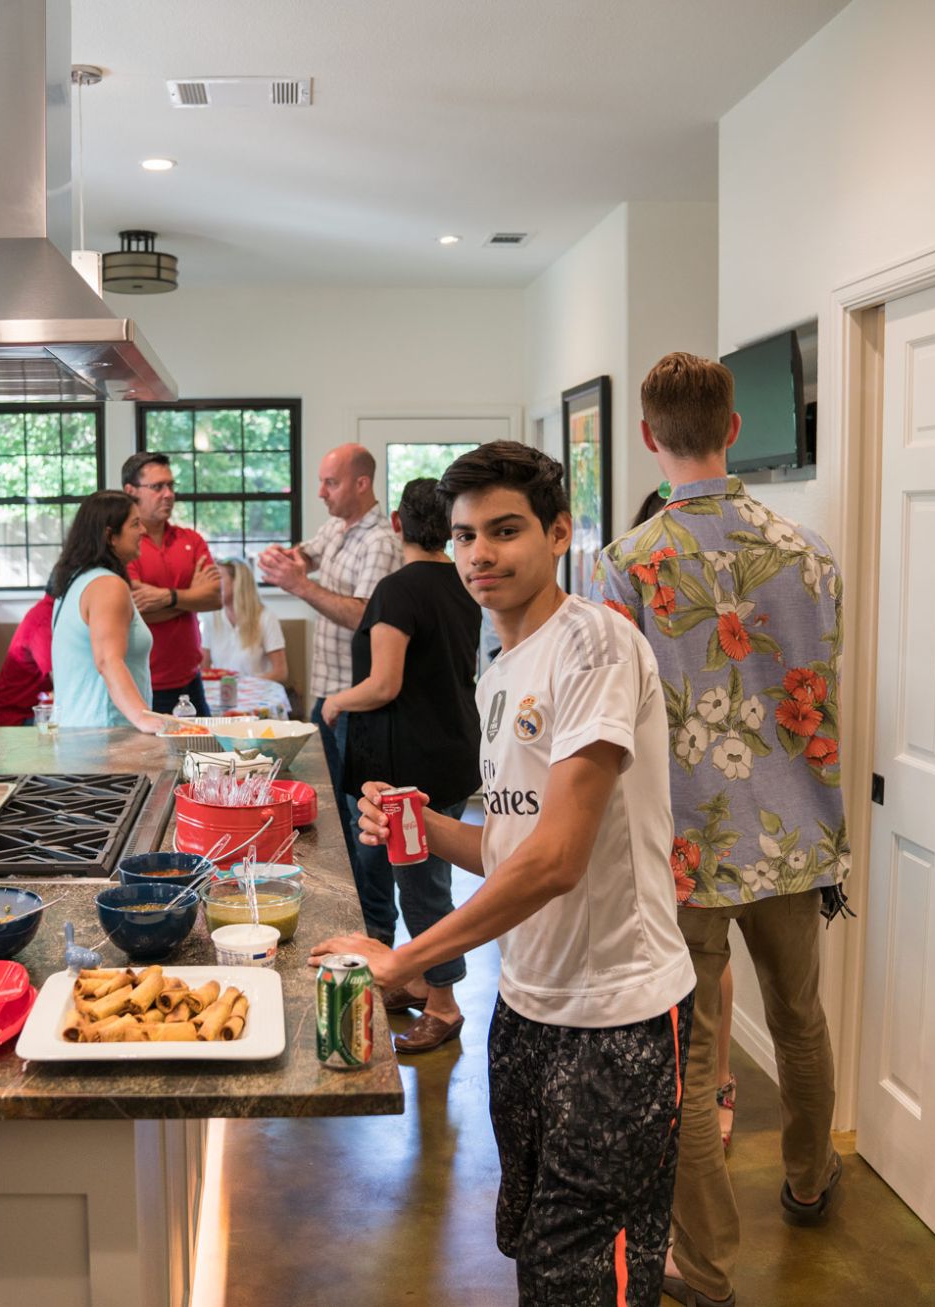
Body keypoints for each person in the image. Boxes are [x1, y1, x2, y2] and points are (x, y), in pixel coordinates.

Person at [310, 441, 694, 1306]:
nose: (480, 553)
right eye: (464, 535)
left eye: (506, 530)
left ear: (559, 533)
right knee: (535, 1248)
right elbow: (509, 847)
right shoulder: (500, 669)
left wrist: (402, 961)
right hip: (525, 1006)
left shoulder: (596, 644)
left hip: (618, 1016)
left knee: (590, 1273)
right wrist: (427, 823)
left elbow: (558, 859)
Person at [593, 352, 850, 1307]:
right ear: (736, 429)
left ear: (650, 437)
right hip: (795, 831)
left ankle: (704, 1273)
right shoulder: (809, 551)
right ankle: (810, 1180)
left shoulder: (627, 563)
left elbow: (618, 713)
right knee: (800, 1021)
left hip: (685, 844)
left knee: (693, 1064)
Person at [320, 479, 480, 1053]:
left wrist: (336, 701)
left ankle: (444, 1003)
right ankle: (405, 976)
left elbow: (384, 685)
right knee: (405, 877)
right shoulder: (465, 584)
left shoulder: (397, 589)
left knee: (421, 887)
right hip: (453, 750)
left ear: (396, 523)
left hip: (409, 763)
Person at [630, 484, 740, 1149]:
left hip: (702, 792)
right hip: (647, 790)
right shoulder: (634, 599)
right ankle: (671, 1084)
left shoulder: (710, 599)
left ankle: (718, 1082)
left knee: (705, 949)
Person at [257, 443, 402, 865]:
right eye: (321, 481)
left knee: (360, 820)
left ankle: (373, 920)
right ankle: (350, 895)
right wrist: (285, 557)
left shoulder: (379, 542)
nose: (321, 492)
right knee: (333, 809)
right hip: (328, 692)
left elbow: (363, 615)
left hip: (356, 700)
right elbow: (308, 553)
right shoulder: (338, 526)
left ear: (362, 483)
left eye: (330, 482)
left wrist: (299, 585)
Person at [47, 490, 171, 733]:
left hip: (79, 732)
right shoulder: (107, 586)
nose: (144, 531)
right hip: (106, 735)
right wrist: (142, 717)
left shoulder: (75, 582)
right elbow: (107, 660)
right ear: (110, 536)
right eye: (135, 524)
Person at [121, 452, 221, 716]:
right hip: (143, 685)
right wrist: (191, 597)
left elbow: (214, 597)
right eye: (157, 487)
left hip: (191, 681)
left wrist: (168, 598)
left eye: (171, 486)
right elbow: (135, 609)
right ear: (131, 491)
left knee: (205, 756)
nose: (168, 494)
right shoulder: (124, 544)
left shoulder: (191, 539)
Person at [199, 558, 288, 683]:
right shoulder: (210, 617)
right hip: (222, 695)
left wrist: (244, 684)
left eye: (219, 578)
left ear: (238, 583)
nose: (213, 585)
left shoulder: (266, 617)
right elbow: (204, 669)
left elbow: (281, 673)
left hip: (256, 694)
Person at [0, 594, 54, 725]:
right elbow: (61, 681)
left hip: (31, 709)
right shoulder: (43, 620)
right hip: (16, 718)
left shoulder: (47, 612)